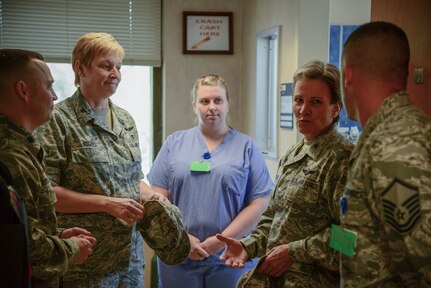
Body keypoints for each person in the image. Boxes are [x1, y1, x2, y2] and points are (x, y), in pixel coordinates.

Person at [217, 60, 354, 287]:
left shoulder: (342, 159)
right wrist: (246, 246)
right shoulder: (294, 153)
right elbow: (274, 219)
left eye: (316, 102)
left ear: (336, 108)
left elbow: (349, 239)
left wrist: (294, 252)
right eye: (299, 100)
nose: (303, 110)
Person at [36, 33, 150, 287]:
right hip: (86, 262)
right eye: (106, 66)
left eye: (118, 67)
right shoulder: (57, 120)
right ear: (81, 68)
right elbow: (47, 194)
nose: (115, 74)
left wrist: (155, 197)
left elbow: (134, 181)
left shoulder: (125, 120)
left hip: (130, 259)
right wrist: (107, 204)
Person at [147, 74, 274, 288]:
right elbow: (158, 199)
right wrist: (181, 239)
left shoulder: (247, 147)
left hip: (230, 254)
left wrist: (221, 240)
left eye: (218, 100)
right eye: (204, 101)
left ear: (228, 104)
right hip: (179, 254)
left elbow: (259, 203)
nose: (212, 107)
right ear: (194, 105)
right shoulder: (174, 143)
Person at [339, 21, 431, 287]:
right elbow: (362, 236)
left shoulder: (393, 148)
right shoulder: (391, 134)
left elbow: (422, 265)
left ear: (348, 75)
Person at [0, 49, 96, 287]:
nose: (54, 96)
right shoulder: (11, 155)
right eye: (49, 86)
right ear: (23, 90)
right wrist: (72, 248)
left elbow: (21, 225)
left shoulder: (22, 147)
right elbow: (27, 250)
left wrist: (57, 234)